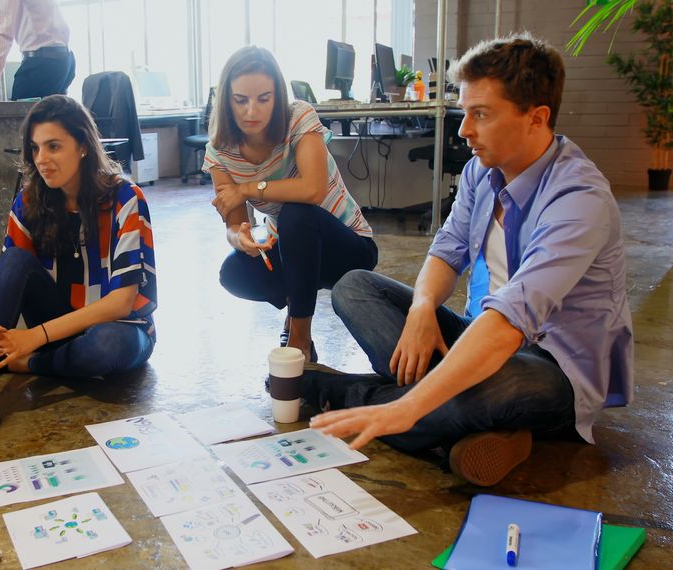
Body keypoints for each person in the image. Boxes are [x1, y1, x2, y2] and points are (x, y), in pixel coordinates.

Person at [309, 34, 634, 487]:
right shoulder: (481, 170)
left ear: (536, 118)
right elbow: (447, 250)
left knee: (506, 388)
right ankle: (477, 427)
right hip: (477, 334)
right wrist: (422, 310)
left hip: (552, 366)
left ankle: (352, 396)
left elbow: (510, 320)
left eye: (480, 114)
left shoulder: (580, 198)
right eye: (465, 112)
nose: (463, 130)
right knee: (355, 288)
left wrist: (406, 408)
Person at [0, 94, 157, 451]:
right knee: (14, 258)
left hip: (119, 331)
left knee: (108, 345)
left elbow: (122, 303)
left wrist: (30, 341)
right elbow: (14, 271)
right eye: (35, 148)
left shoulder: (126, 198)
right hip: (59, 324)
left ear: (83, 146)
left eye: (54, 146)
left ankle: (24, 362)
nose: (42, 160)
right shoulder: (30, 200)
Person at [204, 46, 377, 363]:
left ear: (277, 96)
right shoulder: (219, 153)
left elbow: (311, 189)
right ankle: (294, 300)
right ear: (226, 100)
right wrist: (241, 239)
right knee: (233, 272)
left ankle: (300, 338)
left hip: (348, 247)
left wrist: (246, 188)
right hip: (295, 251)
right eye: (240, 100)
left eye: (264, 98)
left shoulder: (298, 116)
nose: (251, 111)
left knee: (295, 213)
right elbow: (235, 225)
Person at [0, 0, 74, 101]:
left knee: (17, 121)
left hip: (42, 65)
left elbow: (2, 34)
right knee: (53, 121)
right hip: (63, 59)